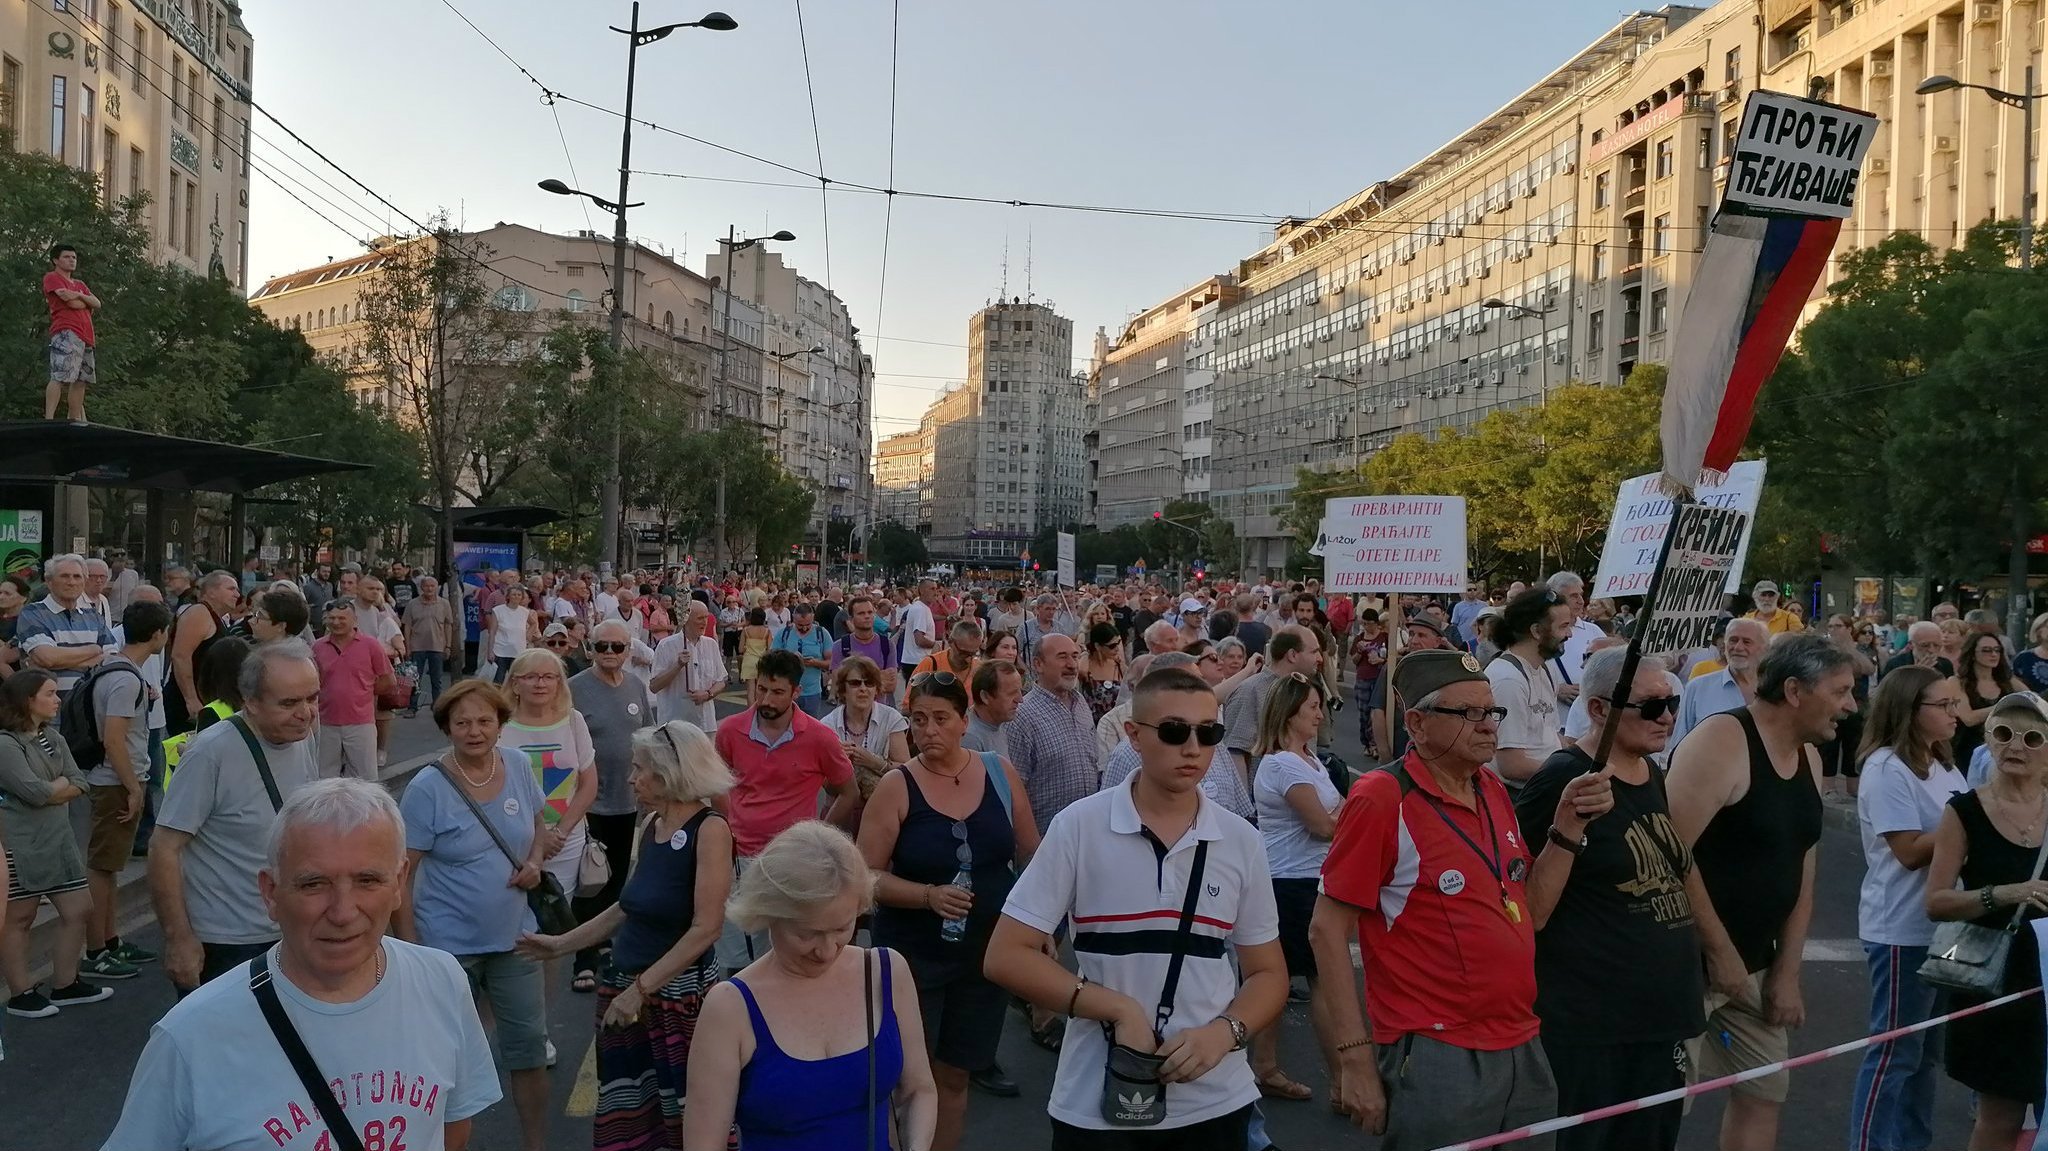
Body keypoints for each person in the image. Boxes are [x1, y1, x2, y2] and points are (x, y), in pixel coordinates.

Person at [104, 779, 503, 1150]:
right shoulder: (190, 1036)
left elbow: (453, 1125)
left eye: (367, 880)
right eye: (314, 884)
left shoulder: (442, 980)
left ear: (400, 883)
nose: (344, 912)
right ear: (271, 893)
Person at [987, 665, 1287, 1149]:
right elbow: (1006, 954)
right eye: (1173, 731)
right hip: (1097, 1099)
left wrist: (1225, 1032)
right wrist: (1118, 1010)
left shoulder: (1241, 840)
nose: (1193, 748)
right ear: (1133, 735)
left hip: (1215, 1099)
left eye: (1208, 733)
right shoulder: (1080, 826)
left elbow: (1268, 973)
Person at [1311, 649, 1567, 1148]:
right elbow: (1325, 929)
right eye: (1469, 713)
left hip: (1522, 1039)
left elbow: (1530, 912)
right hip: (1435, 1049)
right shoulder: (1382, 796)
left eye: (1492, 712)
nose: (1489, 725)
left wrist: (1568, 830)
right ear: (1418, 723)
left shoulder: (1491, 787)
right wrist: (1355, 1058)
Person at [1666, 633, 1851, 1151]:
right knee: (1660, 1105)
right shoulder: (1721, 741)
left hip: (1754, 966)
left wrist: (1786, 973)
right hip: (1686, 969)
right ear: (1795, 691)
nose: (1850, 705)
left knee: (1764, 1091)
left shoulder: (1809, 758)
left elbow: (1802, 873)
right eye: (1840, 691)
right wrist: (1718, 953)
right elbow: (1667, 857)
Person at [1514, 647, 1700, 1151]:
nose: (1666, 717)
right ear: (1598, 709)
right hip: (1592, 1026)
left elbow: (1675, 872)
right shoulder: (1563, 778)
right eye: (1650, 706)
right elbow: (1522, 900)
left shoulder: (1652, 774)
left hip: (1659, 1018)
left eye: (1672, 702)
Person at [521, 721, 736, 1150]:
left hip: (676, 999)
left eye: (641, 769)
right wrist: (560, 945)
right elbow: (626, 907)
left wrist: (640, 989)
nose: (631, 778)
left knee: (685, 1116)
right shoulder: (654, 822)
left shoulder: (710, 830)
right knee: (631, 1115)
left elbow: (706, 928)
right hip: (627, 991)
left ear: (672, 773)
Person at [858, 671, 1039, 1149]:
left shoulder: (1000, 772)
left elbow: (1031, 854)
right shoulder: (897, 786)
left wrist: (1039, 924)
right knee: (907, 1080)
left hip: (984, 958)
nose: (928, 730)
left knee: (956, 1076)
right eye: (918, 720)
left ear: (964, 722)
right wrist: (927, 895)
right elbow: (866, 876)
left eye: (940, 719)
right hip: (913, 959)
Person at [683, 821, 939, 1151]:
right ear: (767, 913)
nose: (826, 950)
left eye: (843, 928)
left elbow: (918, 1089)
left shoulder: (886, 972)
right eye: (807, 934)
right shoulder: (729, 1008)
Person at [394, 679, 552, 1151]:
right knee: (449, 1064)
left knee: (528, 1052)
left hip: (516, 940)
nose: (474, 731)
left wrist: (535, 863)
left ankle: (535, 1146)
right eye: (462, 722)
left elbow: (539, 824)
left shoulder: (520, 766)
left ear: (501, 725)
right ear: (447, 729)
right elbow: (401, 875)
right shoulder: (427, 788)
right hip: (448, 950)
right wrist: (412, 950)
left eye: (485, 720)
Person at [149, 641, 323, 995]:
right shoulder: (210, 753)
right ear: (251, 701)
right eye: (289, 703)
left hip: (291, 930)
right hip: (229, 944)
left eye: (312, 698)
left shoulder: (300, 736)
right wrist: (179, 939)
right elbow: (164, 848)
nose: (306, 712)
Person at [1845, 666, 1966, 1151]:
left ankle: (1913, 1142)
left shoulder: (1942, 764)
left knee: (1924, 1054)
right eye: (1944, 705)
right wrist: (1970, 822)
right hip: (1902, 929)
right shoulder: (1886, 769)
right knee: (1894, 1050)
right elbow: (1910, 850)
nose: (1956, 713)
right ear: (1910, 711)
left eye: (1955, 703)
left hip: (1943, 928)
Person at [1923, 690, 2048, 1151]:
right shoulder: (1964, 811)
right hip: (1994, 977)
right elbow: (1935, 902)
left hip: (2047, 978)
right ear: (1988, 742)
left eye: (2033, 737)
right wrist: (2009, 893)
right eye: (2003, 733)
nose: (2016, 745)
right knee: (2000, 1115)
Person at [713, 649, 857, 968]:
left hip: (794, 862)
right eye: (762, 689)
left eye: (777, 692)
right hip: (742, 859)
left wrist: (819, 835)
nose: (766, 700)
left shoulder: (820, 738)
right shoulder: (729, 732)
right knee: (740, 955)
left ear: (796, 691)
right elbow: (717, 787)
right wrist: (728, 832)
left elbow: (848, 792)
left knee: (789, 951)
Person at [1249, 670, 1343, 1104]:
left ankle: (1263, 1067)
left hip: (1302, 880)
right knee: (1321, 980)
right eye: (1312, 707)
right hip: (1291, 883)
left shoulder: (1307, 759)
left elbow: (1338, 812)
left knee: (1280, 980)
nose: (1320, 714)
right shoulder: (1284, 763)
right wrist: (1354, 816)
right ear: (1290, 714)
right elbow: (1325, 824)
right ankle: (1343, 1082)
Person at [0, 670, 110, 1016]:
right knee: (20, 917)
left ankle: (65, 984)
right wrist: (58, 789)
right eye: (49, 693)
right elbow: (32, 792)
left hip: (58, 839)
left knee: (78, 908)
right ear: (27, 700)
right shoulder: (5, 744)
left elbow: (81, 782)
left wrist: (55, 789)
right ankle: (21, 993)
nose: (57, 699)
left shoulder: (53, 737)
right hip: (21, 842)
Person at [77, 599, 172, 981]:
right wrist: (134, 789)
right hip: (114, 783)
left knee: (111, 867)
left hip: (118, 780)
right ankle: (96, 950)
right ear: (157, 634)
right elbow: (113, 740)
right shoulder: (126, 678)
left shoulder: (119, 669)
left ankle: (111, 939)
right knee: (102, 868)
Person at [569, 618, 656, 994]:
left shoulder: (636, 685)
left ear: (629, 650)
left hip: (627, 802)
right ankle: (583, 957)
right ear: (590, 648)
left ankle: (605, 945)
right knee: (588, 882)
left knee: (618, 879)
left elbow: (650, 741)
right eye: (601, 646)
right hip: (588, 804)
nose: (609, 653)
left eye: (617, 647)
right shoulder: (573, 689)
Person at [499, 647, 599, 906]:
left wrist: (559, 834)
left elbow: (588, 785)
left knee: (556, 915)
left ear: (559, 683)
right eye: (530, 676)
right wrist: (538, 838)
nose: (540, 684)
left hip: (564, 842)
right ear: (515, 684)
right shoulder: (499, 726)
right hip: (515, 840)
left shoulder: (573, 721)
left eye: (548, 677)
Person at [1008, 634, 1102, 838]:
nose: (1072, 665)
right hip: (1048, 838)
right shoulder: (1022, 716)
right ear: (1038, 664)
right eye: (1062, 657)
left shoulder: (1081, 704)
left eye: (1075, 656)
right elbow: (1016, 790)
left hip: (1089, 832)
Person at [1485, 587, 1571, 788]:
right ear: (1536, 631)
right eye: (1563, 626)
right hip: (1519, 798)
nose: (1569, 634)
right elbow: (1511, 766)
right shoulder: (1509, 680)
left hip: (1544, 786)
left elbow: (1550, 733)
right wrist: (1569, 771)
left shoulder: (1545, 668)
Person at [311, 596, 393, 781]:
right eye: (332, 618)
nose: (336, 622)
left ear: (354, 620)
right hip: (325, 722)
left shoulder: (370, 645)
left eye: (342, 618)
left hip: (361, 722)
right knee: (324, 777)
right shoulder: (317, 647)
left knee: (365, 777)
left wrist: (363, 692)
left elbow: (389, 680)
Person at [1222, 627, 1323, 774]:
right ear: (1292, 655)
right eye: (1314, 652)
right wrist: (1244, 797)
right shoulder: (1251, 691)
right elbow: (1235, 754)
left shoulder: (1305, 689)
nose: (1320, 658)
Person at [15, 553, 111, 702]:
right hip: (49, 713)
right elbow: (47, 657)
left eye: (77, 577)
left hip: (88, 709)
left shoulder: (93, 615)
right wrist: (93, 650)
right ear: (49, 581)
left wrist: (58, 661)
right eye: (64, 576)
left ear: (84, 581)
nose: (71, 582)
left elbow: (111, 659)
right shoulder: (32, 613)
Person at [824, 655, 911, 807]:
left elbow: (906, 771)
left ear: (877, 689)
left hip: (884, 807)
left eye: (869, 683)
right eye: (855, 683)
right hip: (838, 808)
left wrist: (873, 761)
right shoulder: (827, 725)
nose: (863, 689)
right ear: (843, 690)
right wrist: (838, 764)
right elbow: (828, 788)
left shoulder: (891, 718)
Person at [1671, 616, 1769, 749]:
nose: (1738, 647)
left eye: (1747, 642)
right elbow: (1678, 744)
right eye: (1733, 640)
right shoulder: (1698, 688)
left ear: (1764, 648)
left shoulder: (1775, 690)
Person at [166, 570, 238, 735]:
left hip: (210, 700)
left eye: (237, 590)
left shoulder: (216, 618)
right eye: (231, 589)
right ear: (211, 592)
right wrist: (191, 699)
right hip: (189, 704)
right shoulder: (199, 613)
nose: (237, 594)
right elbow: (180, 656)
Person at [42, 243, 99, 422]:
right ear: (56, 260)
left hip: (86, 335)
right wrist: (84, 302)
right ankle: (49, 418)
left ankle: (74, 419)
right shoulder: (52, 277)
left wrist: (80, 296)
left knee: (81, 380)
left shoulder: (80, 284)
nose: (72, 260)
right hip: (66, 331)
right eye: (67, 257)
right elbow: (71, 303)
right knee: (59, 375)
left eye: (74, 257)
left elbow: (97, 303)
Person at [652, 602, 727, 732]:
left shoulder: (711, 644)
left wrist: (708, 694)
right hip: (675, 724)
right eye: (700, 618)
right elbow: (654, 686)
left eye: (706, 618)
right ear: (686, 619)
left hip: (705, 724)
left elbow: (721, 681)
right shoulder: (666, 645)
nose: (704, 622)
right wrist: (677, 666)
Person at [1952, 630, 2016, 771]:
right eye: (1986, 650)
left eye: (1997, 650)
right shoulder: (1957, 682)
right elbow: (1969, 718)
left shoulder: (2007, 681)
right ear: (1973, 654)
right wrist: (2008, 705)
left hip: (2003, 749)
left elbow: (2032, 699)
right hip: (1967, 750)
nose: (1993, 654)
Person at [402, 575, 458, 715]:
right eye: (426, 586)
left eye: (432, 586)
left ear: (436, 587)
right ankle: (412, 707)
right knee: (415, 679)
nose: (429, 589)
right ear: (421, 587)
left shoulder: (444, 604)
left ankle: (437, 707)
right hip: (417, 646)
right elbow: (407, 626)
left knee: (436, 680)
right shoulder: (412, 604)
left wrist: (448, 645)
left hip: (437, 646)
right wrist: (407, 647)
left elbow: (448, 625)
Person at [831, 594, 898, 697]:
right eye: (861, 613)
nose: (867, 616)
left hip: (878, 710)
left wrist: (853, 681)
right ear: (851, 619)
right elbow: (838, 687)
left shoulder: (887, 645)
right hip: (850, 710)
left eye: (870, 612)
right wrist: (879, 677)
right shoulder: (841, 646)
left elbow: (891, 686)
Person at [486, 583, 540, 682]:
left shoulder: (524, 612)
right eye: (514, 594)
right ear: (508, 596)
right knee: (499, 679)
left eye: (519, 595)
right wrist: (490, 651)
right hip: (501, 650)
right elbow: (492, 631)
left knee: (516, 680)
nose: (516, 597)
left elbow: (533, 623)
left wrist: (528, 635)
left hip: (518, 650)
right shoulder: (498, 610)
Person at [1079, 622, 1125, 725]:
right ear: (1098, 646)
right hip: (1092, 725)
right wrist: (1085, 652)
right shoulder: (1087, 665)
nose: (1117, 648)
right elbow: (1081, 671)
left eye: (1118, 643)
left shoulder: (1118, 664)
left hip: (1115, 725)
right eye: (1112, 646)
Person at [912, 618, 984, 682]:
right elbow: (910, 696)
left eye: (973, 653)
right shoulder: (931, 664)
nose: (969, 658)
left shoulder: (979, 669)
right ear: (950, 642)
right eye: (963, 653)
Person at [1882, 620, 1956, 680]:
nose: (1931, 650)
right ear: (1911, 644)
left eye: (1936, 645)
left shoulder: (1945, 664)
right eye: (1925, 645)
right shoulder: (1896, 665)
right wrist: (1917, 674)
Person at [738, 606, 772, 688]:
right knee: (760, 689)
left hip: (749, 660)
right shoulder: (767, 631)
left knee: (750, 690)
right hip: (762, 661)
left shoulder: (746, 630)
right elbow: (770, 650)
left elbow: (740, 649)